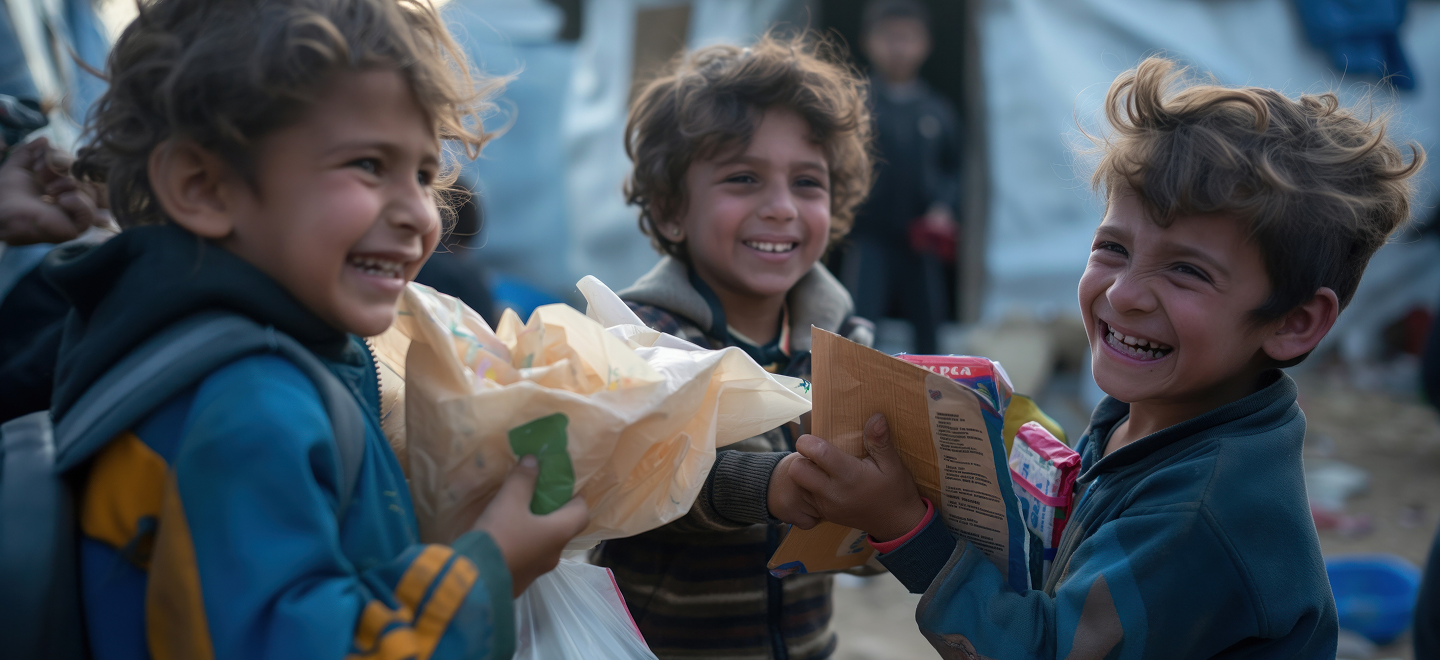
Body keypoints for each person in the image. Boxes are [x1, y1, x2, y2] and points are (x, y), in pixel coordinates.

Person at [783, 56, 1424, 658]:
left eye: (1186, 271)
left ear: (1294, 322)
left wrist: (905, 526)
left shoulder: (1199, 513)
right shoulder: (1142, 417)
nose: (1123, 293)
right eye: (1112, 248)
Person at [53, 1, 588, 657]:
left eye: (423, 173)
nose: (421, 215)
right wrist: (488, 570)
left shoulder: (226, 351)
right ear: (204, 187)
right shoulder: (249, 408)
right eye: (368, 164)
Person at [590, 35, 876, 659]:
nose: (780, 208)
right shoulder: (640, 335)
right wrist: (773, 484)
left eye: (808, 182)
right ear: (670, 210)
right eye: (743, 178)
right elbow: (642, 474)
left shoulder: (846, 343)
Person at [840, 0, 960, 355]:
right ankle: (850, 398)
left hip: (920, 240)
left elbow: (953, 169)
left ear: (925, 44)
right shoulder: (854, 104)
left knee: (929, 327)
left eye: (908, 38)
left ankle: (934, 403)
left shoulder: (937, 110)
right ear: (868, 41)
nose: (898, 48)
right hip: (869, 236)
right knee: (859, 326)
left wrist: (944, 207)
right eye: (889, 37)